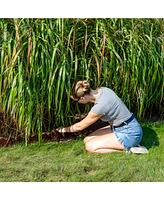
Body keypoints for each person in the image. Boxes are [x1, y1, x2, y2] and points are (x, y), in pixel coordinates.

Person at [56, 80, 148, 154]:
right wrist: (85, 115)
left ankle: (129, 150)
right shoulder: (104, 90)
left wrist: (63, 130)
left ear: (83, 99)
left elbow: (80, 126)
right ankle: (124, 145)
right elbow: (105, 111)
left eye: (76, 101)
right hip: (122, 126)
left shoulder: (101, 105)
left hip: (130, 133)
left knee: (90, 146)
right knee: (87, 139)